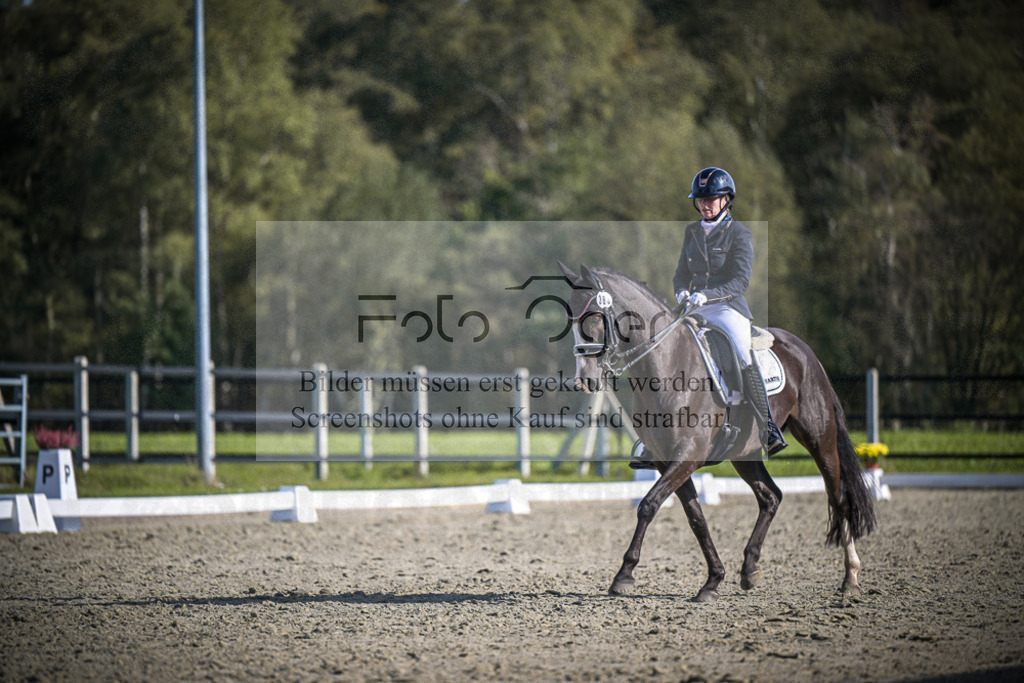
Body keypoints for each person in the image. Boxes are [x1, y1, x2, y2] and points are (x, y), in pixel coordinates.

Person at [672, 167, 788, 457]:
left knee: (742, 353)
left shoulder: (739, 234)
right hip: (694, 307)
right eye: (701, 199)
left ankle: (768, 427)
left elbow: (740, 281)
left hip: (726, 308)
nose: (705, 204)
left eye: (711, 199)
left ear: (726, 200)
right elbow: (680, 274)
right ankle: (658, 434)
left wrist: (707, 295)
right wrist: (681, 291)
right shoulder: (692, 232)